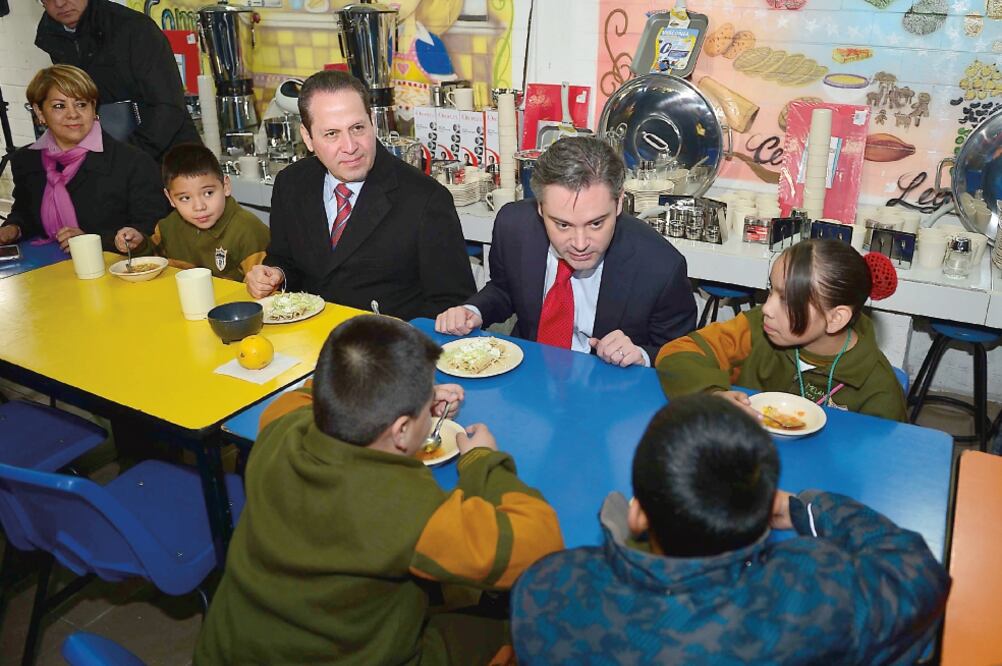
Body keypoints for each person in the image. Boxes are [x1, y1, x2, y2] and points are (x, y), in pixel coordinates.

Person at [195, 316, 563, 665]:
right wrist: (481, 460)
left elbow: (300, 399)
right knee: (512, 627)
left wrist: (400, 399)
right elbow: (539, 545)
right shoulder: (406, 508)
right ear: (402, 431)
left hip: (230, 645)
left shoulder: (281, 429)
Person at [511, 394, 951, 664]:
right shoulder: (814, 598)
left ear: (638, 515)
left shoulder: (547, 589)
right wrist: (804, 508)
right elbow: (919, 573)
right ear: (762, 512)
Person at [435, 137, 696, 367]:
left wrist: (641, 355)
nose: (580, 243)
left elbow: (682, 358)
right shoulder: (514, 226)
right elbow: (505, 290)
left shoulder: (660, 266)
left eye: (596, 223)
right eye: (562, 224)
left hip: (608, 392)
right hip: (529, 374)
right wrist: (474, 311)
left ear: (619, 204)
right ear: (540, 209)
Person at [244, 70, 475, 320]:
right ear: (308, 138)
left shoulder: (425, 198)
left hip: (389, 347)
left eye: (357, 128)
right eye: (331, 134)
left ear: (372, 123)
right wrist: (274, 274)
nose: (350, 147)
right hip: (309, 338)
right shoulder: (291, 183)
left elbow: (453, 304)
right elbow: (285, 259)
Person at [656, 239, 908, 421]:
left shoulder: (878, 389)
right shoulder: (757, 329)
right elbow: (677, 352)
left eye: (787, 300)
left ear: (836, 318)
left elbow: (881, 465)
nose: (767, 308)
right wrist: (712, 394)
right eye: (771, 290)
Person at [0, 65, 168, 252]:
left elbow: (153, 230)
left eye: (81, 104)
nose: (73, 114)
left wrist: (91, 242)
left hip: (114, 269)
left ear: (94, 108)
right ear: (39, 112)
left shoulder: (133, 162)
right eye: (59, 106)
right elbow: (26, 212)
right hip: (42, 268)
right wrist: (13, 228)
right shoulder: (26, 160)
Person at [35, 0, 200, 162]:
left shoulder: (134, 28)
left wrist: (123, 155)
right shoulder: (53, 35)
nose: (60, 3)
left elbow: (168, 106)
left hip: (170, 157)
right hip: (110, 156)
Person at [114, 144, 269, 282]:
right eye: (185, 198)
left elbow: (267, 285)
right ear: (170, 198)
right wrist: (138, 243)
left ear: (226, 186)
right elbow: (153, 261)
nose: (199, 206)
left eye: (208, 193)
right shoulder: (169, 226)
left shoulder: (248, 230)